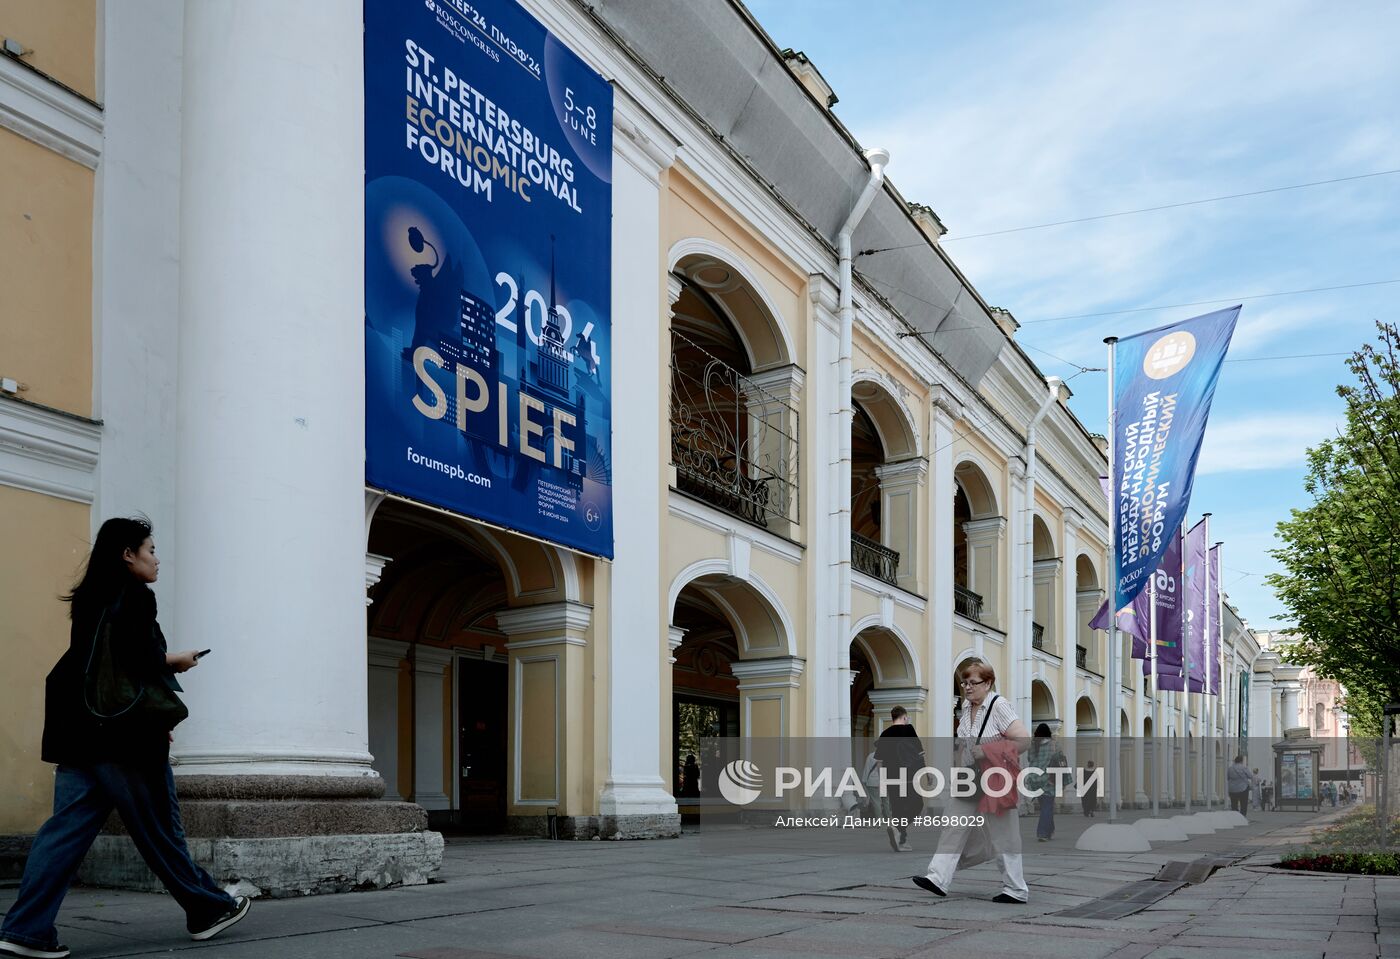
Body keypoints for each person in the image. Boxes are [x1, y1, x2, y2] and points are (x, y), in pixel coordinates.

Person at [0, 518, 251, 959]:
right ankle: (209, 909)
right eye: (150, 549)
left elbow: (103, 667)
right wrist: (174, 664)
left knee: (63, 833)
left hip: (80, 733)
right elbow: (139, 662)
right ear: (127, 554)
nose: (157, 559)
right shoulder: (136, 596)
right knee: (161, 830)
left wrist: (160, 670)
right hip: (125, 739)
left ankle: (25, 930)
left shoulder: (89, 598)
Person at [912, 661, 1030, 904]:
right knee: (953, 825)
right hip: (969, 775)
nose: (967, 687)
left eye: (973, 683)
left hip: (995, 777)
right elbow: (963, 744)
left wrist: (987, 750)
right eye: (964, 682)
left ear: (988, 683)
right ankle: (938, 878)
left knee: (1005, 835)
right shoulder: (966, 707)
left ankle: (1016, 889)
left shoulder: (999, 705)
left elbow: (1023, 740)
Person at [874, 705, 925, 852]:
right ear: (904, 717)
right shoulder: (908, 729)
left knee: (897, 808)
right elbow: (920, 754)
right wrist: (926, 774)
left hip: (891, 777)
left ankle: (901, 841)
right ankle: (898, 828)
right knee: (917, 804)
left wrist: (882, 779)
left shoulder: (885, 734)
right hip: (909, 776)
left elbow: (879, 762)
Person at [1027, 724, 1066, 842]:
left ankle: (1050, 830)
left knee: (1046, 806)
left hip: (1035, 779)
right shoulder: (1054, 744)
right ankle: (1042, 833)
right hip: (1049, 780)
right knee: (1047, 807)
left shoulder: (1033, 745)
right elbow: (1061, 761)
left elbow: (1030, 759)